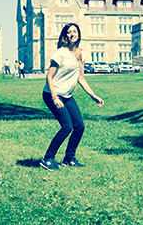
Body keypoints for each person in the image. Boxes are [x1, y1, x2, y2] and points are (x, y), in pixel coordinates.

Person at [39, 23, 104, 170]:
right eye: (69, 32)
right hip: (52, 93)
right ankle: (47, 158)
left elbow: (81, 78)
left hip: (67, 95)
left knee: (79, 126)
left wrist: (93, 95)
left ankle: (69, 159)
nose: (72, 34)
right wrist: (55, 98)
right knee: (67, 126)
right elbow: (49, 77)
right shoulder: (60, 53)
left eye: (75, 31)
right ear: (65, 36)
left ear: (78, 34)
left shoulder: (81, 54)